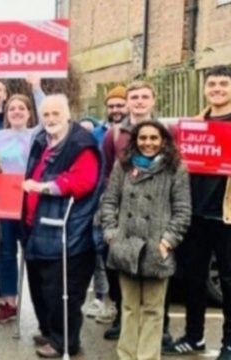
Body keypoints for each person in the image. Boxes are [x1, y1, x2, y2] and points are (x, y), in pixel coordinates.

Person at [162, 65, 231, 360]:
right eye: (212, 84)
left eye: (224, 84)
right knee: (193, 279)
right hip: (194, 215)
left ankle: (230, 345)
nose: (217, 89)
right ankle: (194, 337)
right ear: (205, 88)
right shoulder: (192, 125)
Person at [98, 120, 191, 360]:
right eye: (143, 138)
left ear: (163, 141)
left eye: (153, 138)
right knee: (129, 308)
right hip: (126, 246)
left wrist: (167, 242)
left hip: (156, 248)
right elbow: (109, 201)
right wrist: (111, 234)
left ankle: (148, 357)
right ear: (135, 140)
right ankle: (127, 355)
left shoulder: (176, 168)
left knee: (153, 309)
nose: (148, 143)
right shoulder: (123, 165)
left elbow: (182, 210)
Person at [22, 94, 103, 358]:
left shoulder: (81, 144)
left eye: (56, 113)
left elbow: (83, 182)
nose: (51, 119)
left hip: (66, 231)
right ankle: (48, 331)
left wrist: (43, 187)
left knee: (61, 291)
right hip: (37, 228)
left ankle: (64, 342)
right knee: (40, 287)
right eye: (46, 115)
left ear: (68, 114)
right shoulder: (41, 140)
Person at [98, 81, 158, 340]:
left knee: (155, 266)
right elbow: (106, 172)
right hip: (122, 210)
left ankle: (159, 327)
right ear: (128, 101)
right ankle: (123, 318)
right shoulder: (114, 134)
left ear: (153, 100)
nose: (140, 101)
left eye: (145, 97)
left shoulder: (166, 131)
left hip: (154, 210)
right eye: (134, 97)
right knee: (117, 264)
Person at [0, 93, 39, 324]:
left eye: (21, 108)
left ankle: (41, 303)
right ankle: (8, 301)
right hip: (4, 198)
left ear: (29, 112)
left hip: (30, 198)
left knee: (34, 253)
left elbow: (49, 112)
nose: (16, 111)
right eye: (12, 108)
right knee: (5, 252)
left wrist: (35, 88)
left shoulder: (38, 134)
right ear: (6, 114)